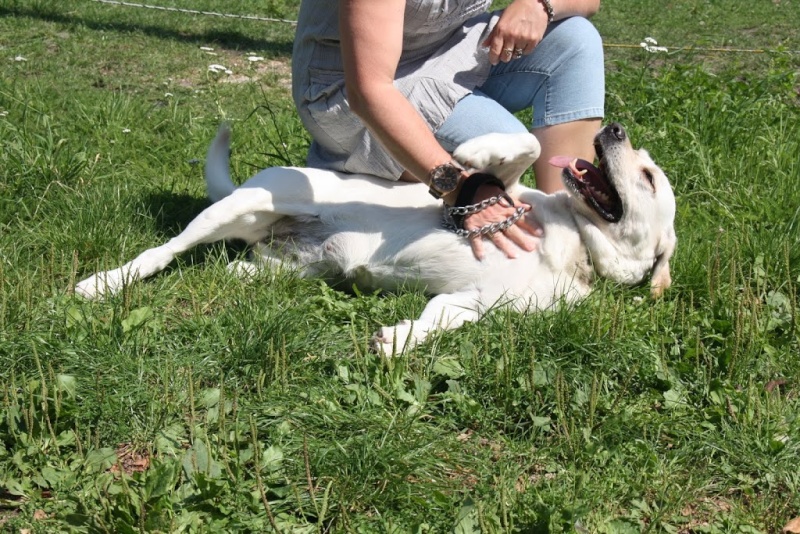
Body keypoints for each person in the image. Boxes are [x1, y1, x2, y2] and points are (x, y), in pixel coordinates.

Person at [291, 0, 604, 259]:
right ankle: (353, 165)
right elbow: (368, 91)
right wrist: (461, 188)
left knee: (575, 39)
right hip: (347, 95)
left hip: (441, 54)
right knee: (508, 147)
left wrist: (540, 6)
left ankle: (566, 227)